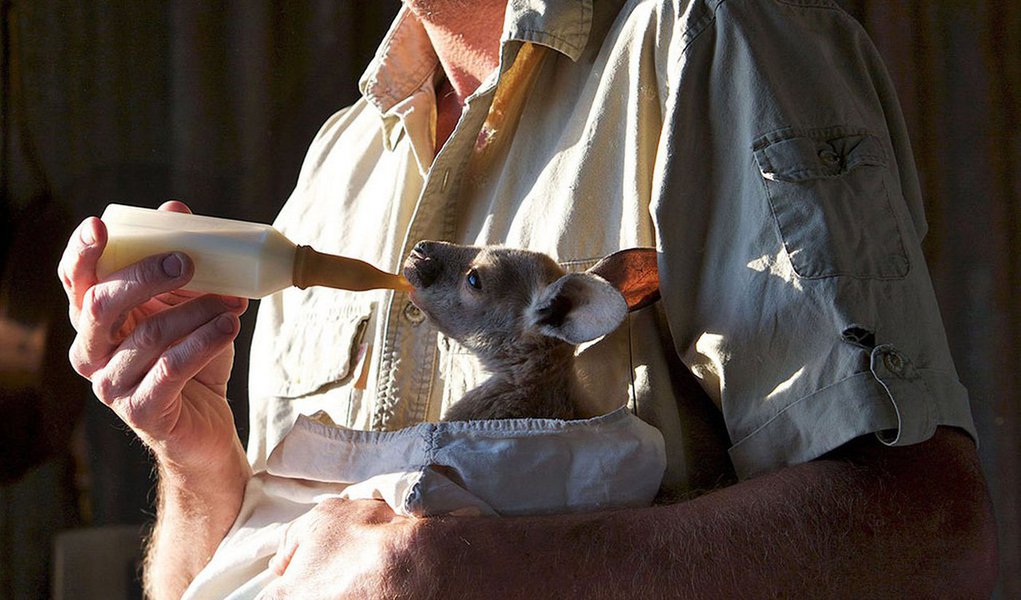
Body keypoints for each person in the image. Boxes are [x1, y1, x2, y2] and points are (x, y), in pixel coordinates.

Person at [59, 0, 998, 598]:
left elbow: (931, 539)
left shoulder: (716, 39)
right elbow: (207, 583)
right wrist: (196, 461)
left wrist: (465, 574)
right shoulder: (333, 165)